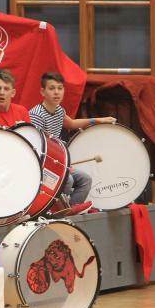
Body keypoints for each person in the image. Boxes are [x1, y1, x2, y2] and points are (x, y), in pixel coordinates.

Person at [29, 72, 116, 215]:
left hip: (57, 164)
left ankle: (70, 211)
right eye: (52, 88)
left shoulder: (59, 110)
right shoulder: (36, 114)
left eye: (60, 88)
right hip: (42, 166)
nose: (56, 92)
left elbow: (72, 123)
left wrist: (98, 120)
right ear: (43, 92)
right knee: (67, 180)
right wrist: (59, 168)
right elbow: (36, 147)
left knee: (85, 180)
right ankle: (54, 212)